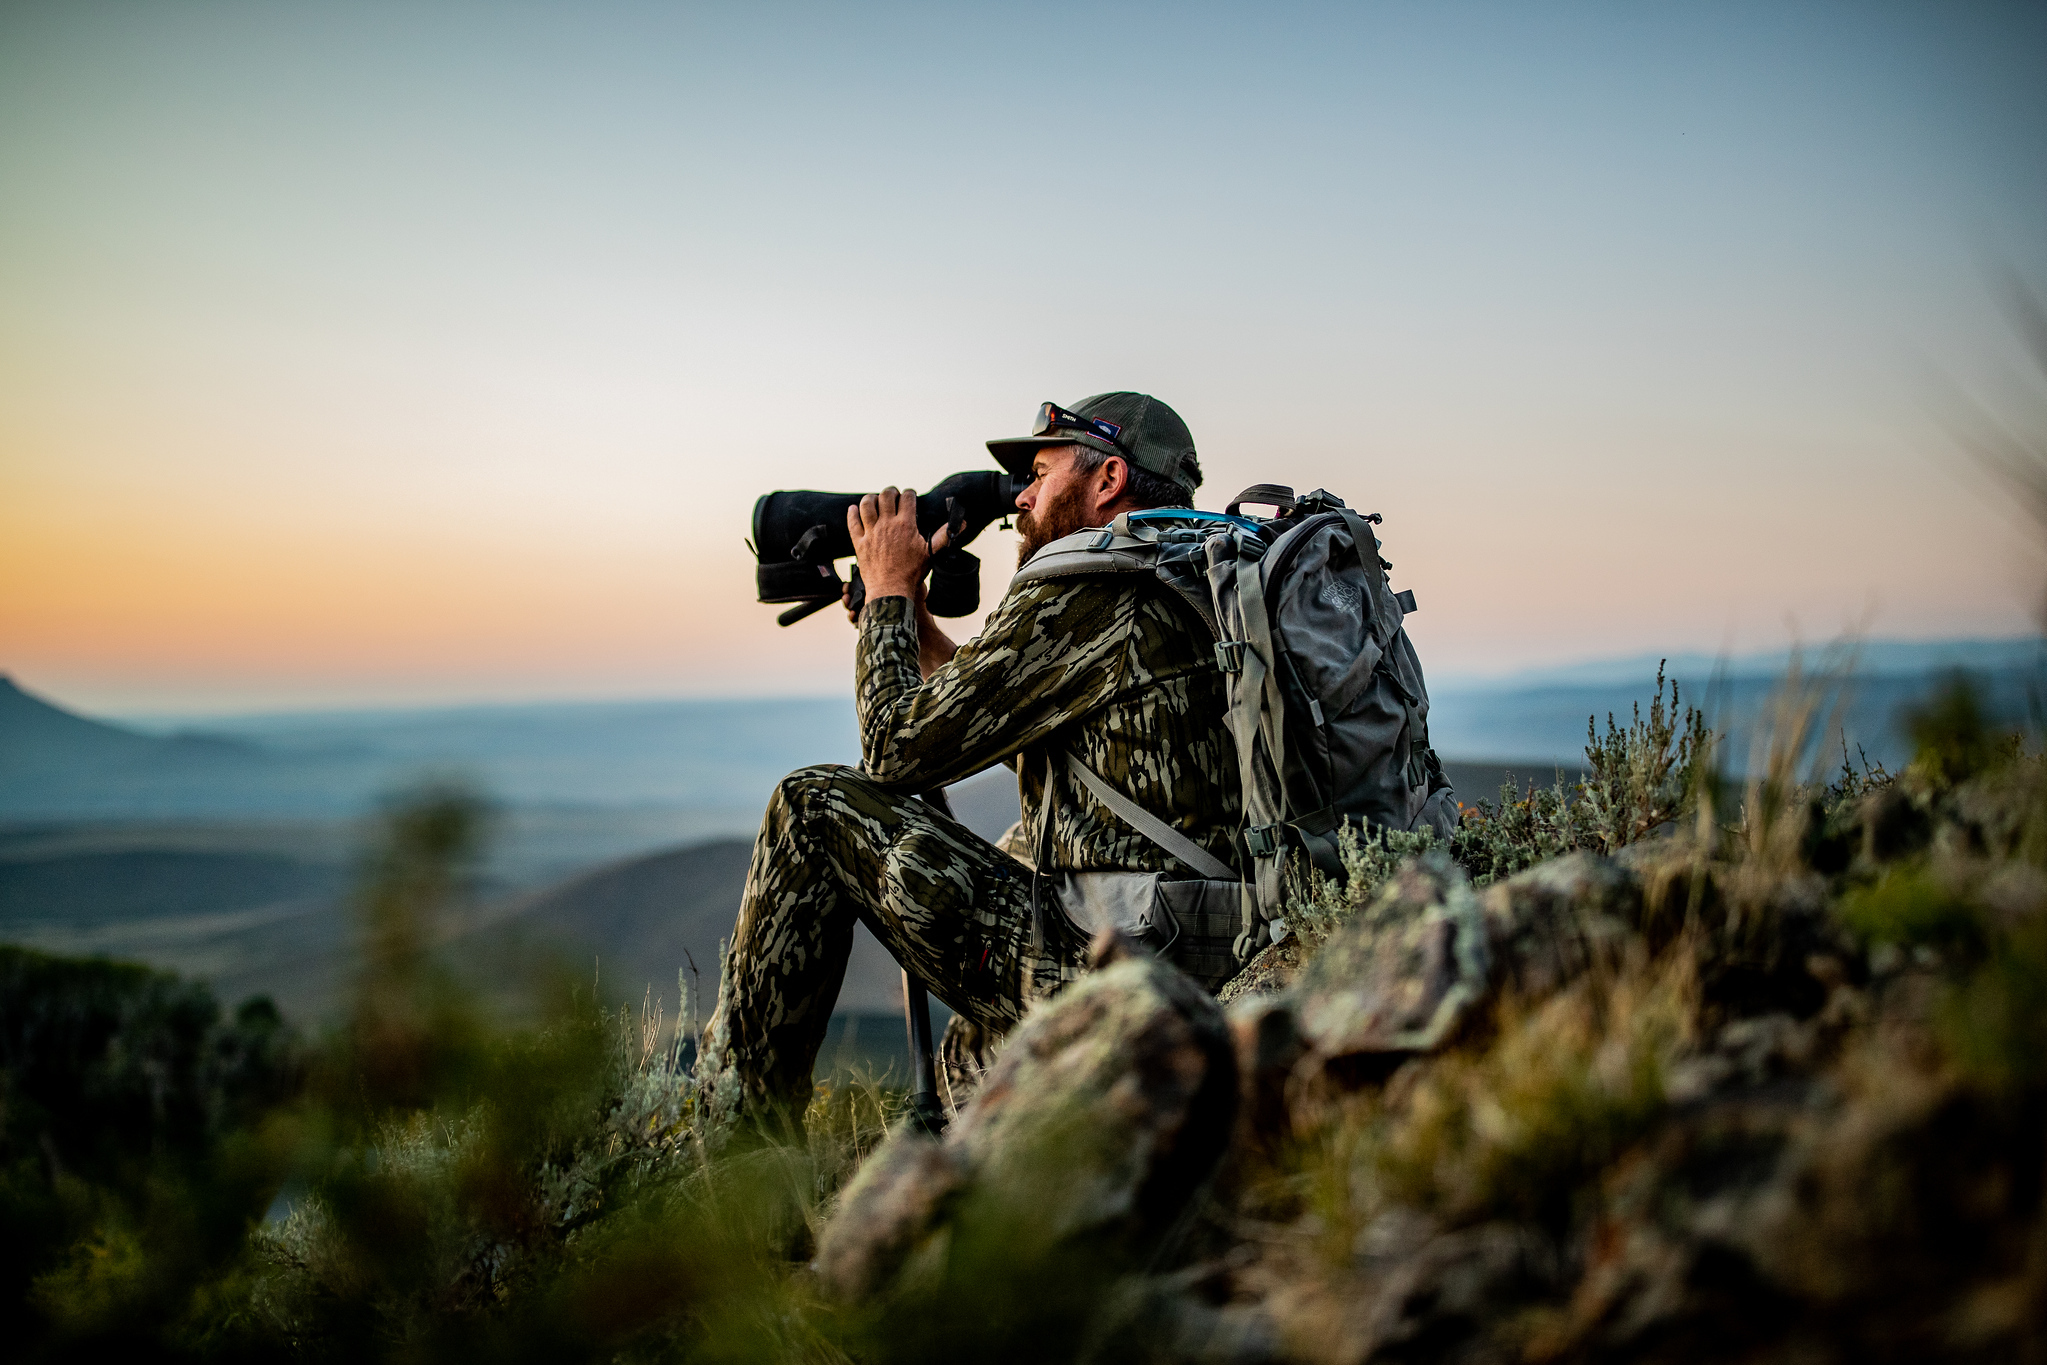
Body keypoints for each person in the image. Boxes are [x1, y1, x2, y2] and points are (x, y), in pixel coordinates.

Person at [701, 392, 1240, 1131]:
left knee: (812, 805)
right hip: (1204, 932)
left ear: (1107, 478)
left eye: (1041, 473)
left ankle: (736, 1160)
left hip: (1115, 970)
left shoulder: (1086, 585)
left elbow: (895, 751)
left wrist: (888, 589)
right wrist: (913, 623)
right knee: (1007, 853)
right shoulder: (1182, 572)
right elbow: (1009, 707)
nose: (1021, 496)